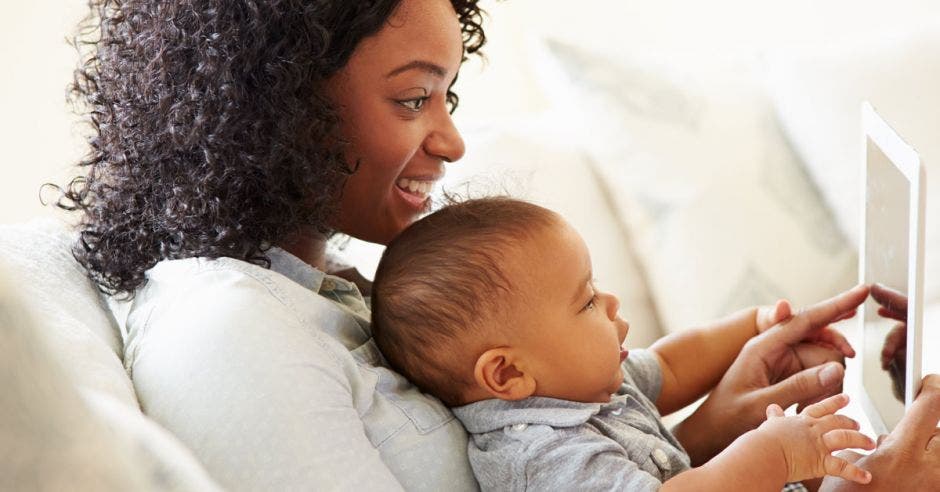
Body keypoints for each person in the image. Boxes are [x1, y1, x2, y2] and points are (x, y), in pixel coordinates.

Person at [55, 0, 936, 489]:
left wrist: (714, 426)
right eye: (412, 100)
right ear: (274, 106)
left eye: (447, 97)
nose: (451, 142)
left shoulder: (331, 290)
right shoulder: (229, 338)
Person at [371, 197, 875, 490]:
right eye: (585, 301)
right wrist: (773, 456)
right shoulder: (542, 458)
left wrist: (756, 323)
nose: (611, 302)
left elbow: (673, 365)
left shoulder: (580, 388)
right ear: (507, 374)